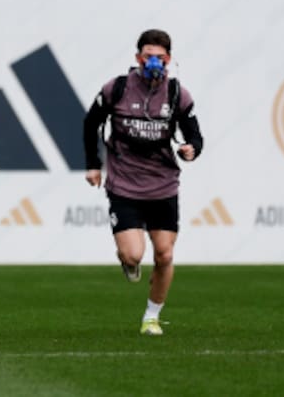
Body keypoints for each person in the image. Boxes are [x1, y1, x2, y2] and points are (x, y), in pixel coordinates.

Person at [83, 29, 204, 336]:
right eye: (148, 56)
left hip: (163, 185)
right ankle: (127, 260)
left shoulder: (177, 94)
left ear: (169, 60)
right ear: (138, 58)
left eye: (160, 58)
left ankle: (152, 316)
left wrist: (191, 149)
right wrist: (93, 165)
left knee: (164, 254)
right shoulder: (118, 88)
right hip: (124, 185)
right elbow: (91, 123)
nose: (154, 62)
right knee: (133, 254)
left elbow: (195, 135)